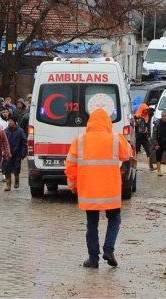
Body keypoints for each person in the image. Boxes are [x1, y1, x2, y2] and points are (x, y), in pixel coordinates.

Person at [64, 108, 131, 269]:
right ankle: (109, 248)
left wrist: (73, 185)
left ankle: (93, 259)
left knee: (91, 224)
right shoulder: (115, 139)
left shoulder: (80, 140)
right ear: (108, 123)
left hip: (89, 191)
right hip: (110, 190)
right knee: (114, 220)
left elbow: (70, 165)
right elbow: (127, 154)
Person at [3, 117, 27, 191]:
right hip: (7, 153)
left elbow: (24, 142)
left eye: (11, 121)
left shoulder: (20, 131)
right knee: (7, 169)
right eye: (9, 121)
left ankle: (16, 180)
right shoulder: (5, 131)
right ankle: (8, 185)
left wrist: (23, 153)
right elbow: (2, 142)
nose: (10, 123)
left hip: (17, 153)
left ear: (15, 122)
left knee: (16, 168)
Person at [151, 110, 166, 176]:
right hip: (159, 143)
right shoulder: (158, 123)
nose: (165, 117)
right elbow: (154, 135)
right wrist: (156, 144)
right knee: (158, 157)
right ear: (161, 116)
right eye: (164, 116)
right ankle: (159, 171)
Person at [134, 103, 152, 170]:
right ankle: (134, 166)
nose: (146, 111)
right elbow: (134, 126)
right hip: (138, 137)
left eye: (147, 110)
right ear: (142, 109)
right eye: (145, 110)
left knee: (148, 150)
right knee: (136, 152)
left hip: (145, 136)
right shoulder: (136, 116)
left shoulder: (147, 115)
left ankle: (150, 166)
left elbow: (147, 126)